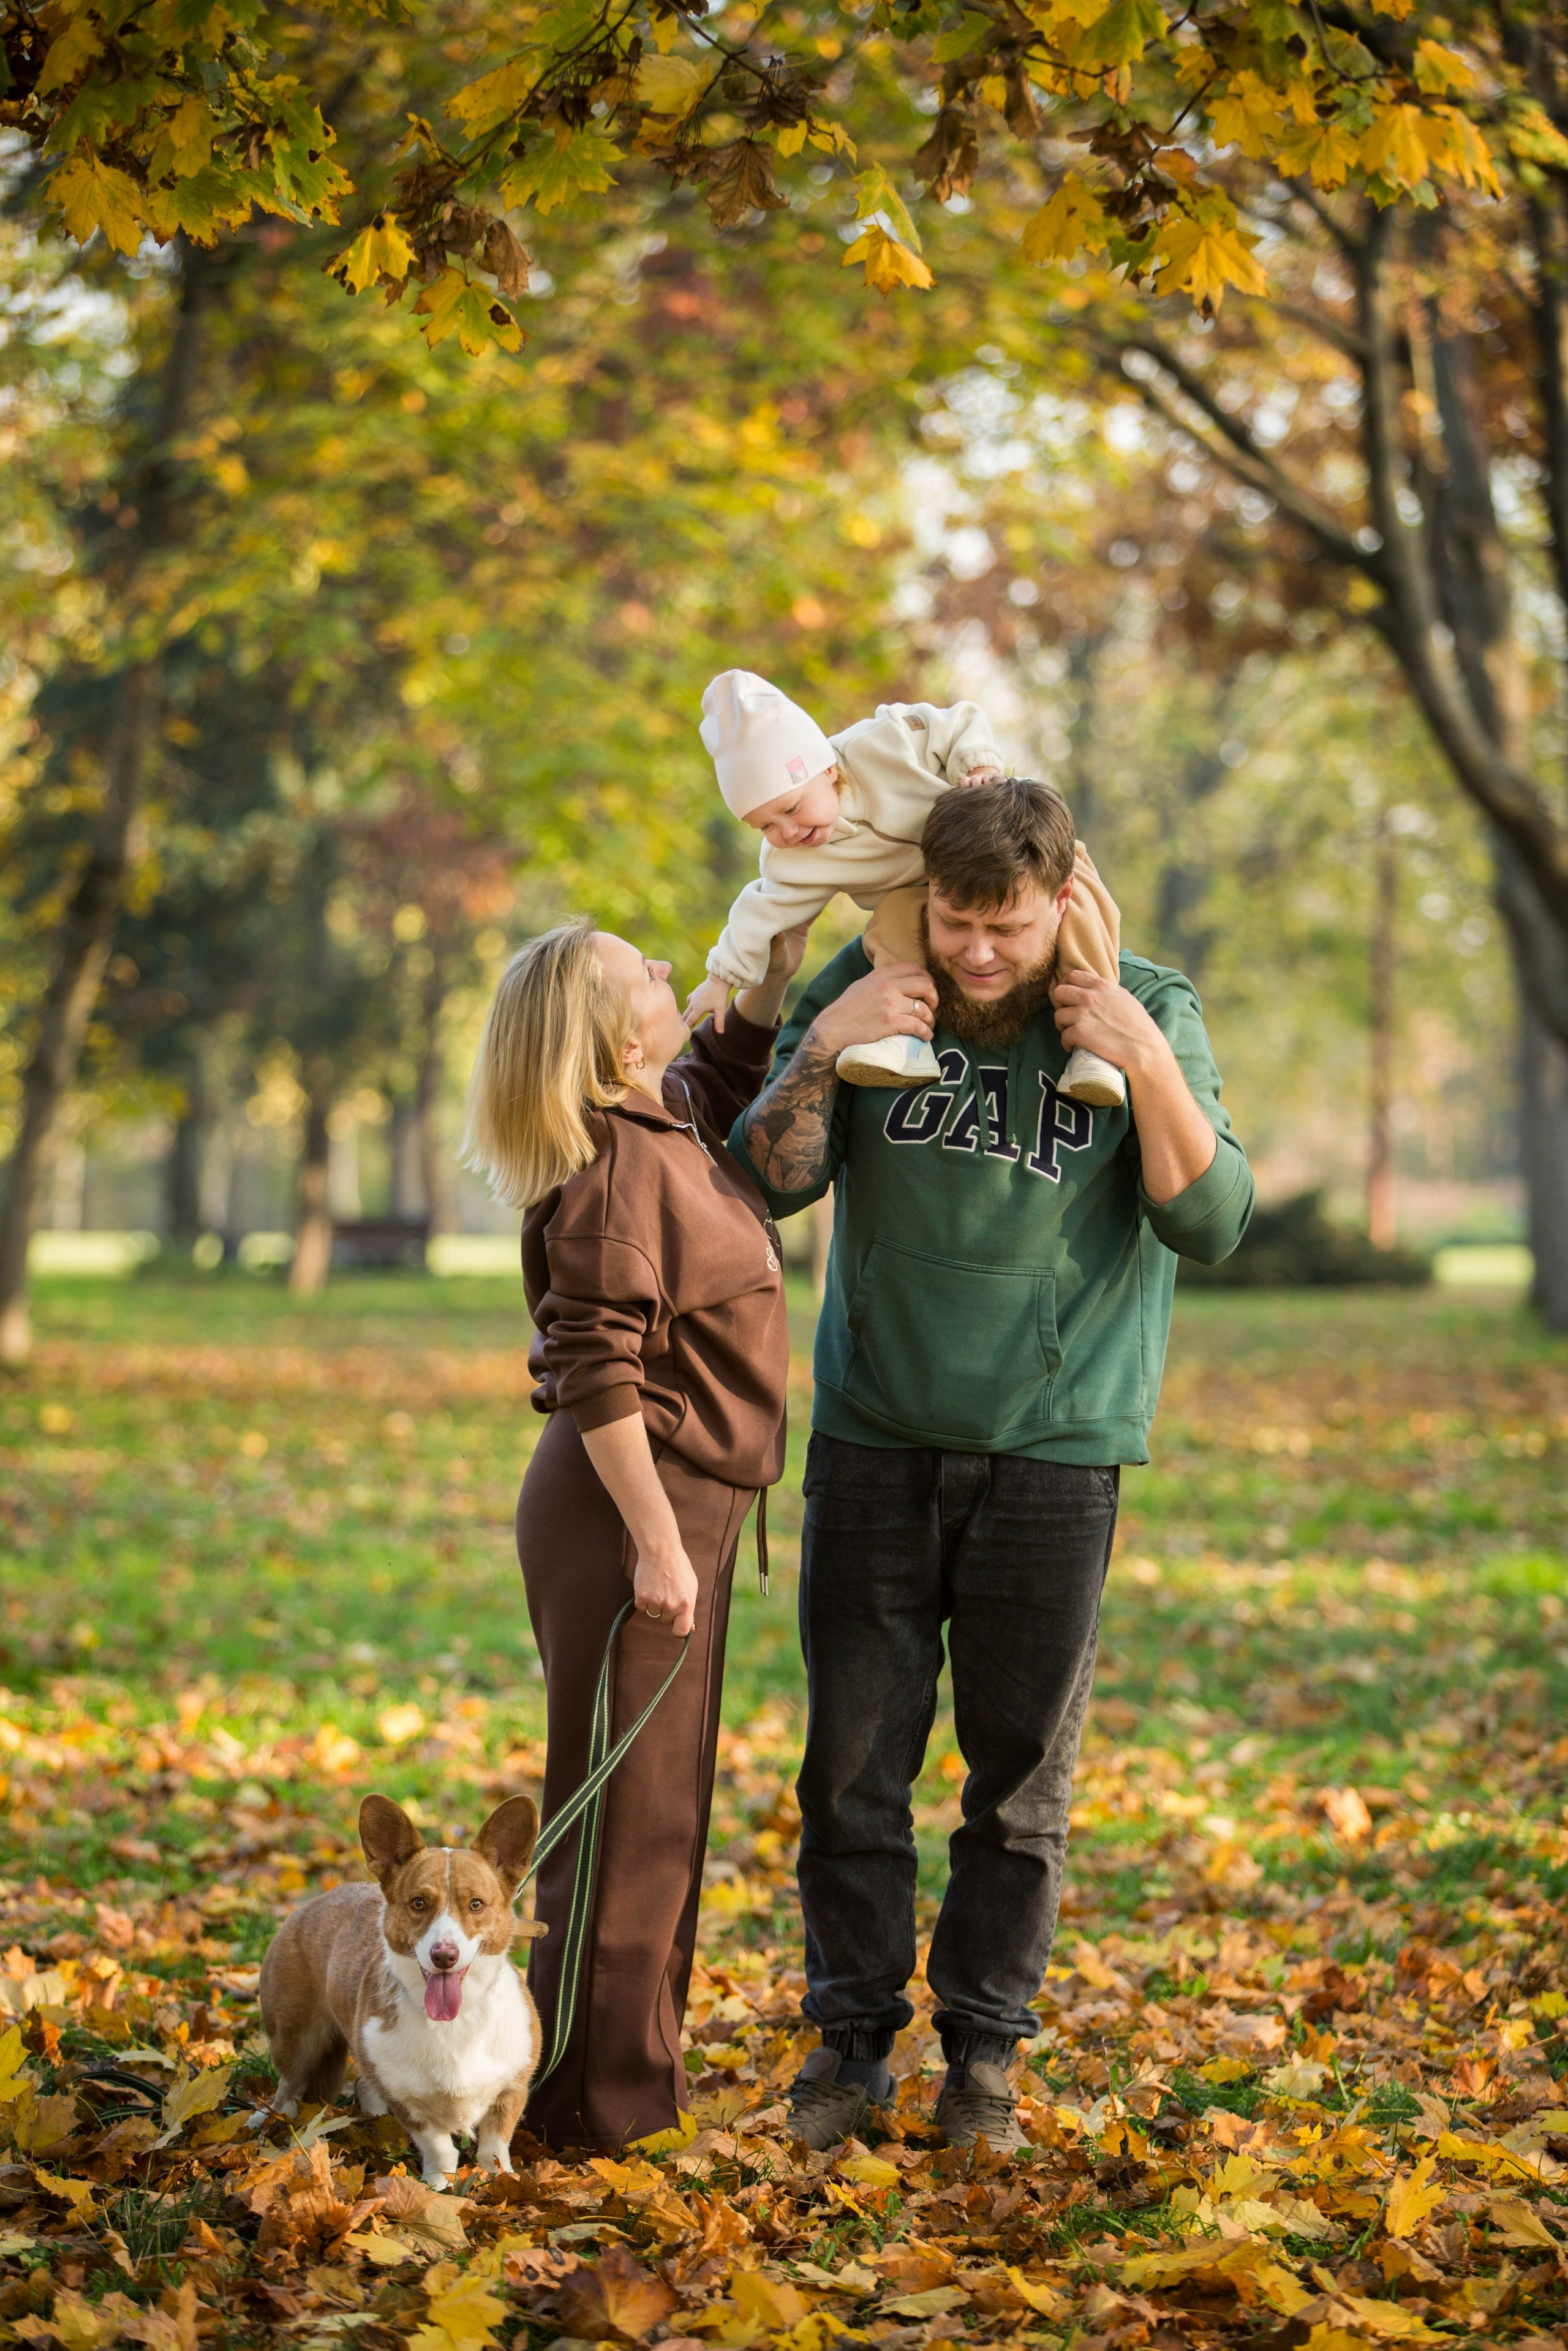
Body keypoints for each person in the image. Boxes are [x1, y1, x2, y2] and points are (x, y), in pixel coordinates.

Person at [728, 777, 1253, 2153]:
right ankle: (849, 2046)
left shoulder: (1149, 1001)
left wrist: (1140, 1057)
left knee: (1019, 1788)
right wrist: (824, 1044)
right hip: (875, 1438)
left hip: (1056, 1451)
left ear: (1062, 901)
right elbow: (769, 1178)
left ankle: (981, 2062)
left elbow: (1210, 1220)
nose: (973, 951)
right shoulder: (876, 978)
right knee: (849, 1773)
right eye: (954, 919)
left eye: (1005, 927)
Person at [462, 916, 803, 2149]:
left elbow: (726, 1060)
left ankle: (624, 2095)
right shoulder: (612, 1171)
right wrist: (657, 1544)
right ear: (616, 1044)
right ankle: (584, 2114)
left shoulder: (665, 1117)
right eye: (643, 973)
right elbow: (596, 1369)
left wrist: (778, 947)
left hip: (671, 1500)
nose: (667, 970)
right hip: (627, 1508)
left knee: (657, 1815)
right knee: (621, 1826)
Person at [684, 669, 1127, 1106]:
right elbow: (758, 912)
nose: (787, 832)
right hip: (925, 892)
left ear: (827, 769)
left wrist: (978, 765)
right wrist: (720, 979)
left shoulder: (882, 744)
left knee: (1083, 897)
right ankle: (902, 1037)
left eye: (791, 809)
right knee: (893, 922)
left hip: (1003, 854)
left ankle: (1096, 1041)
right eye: (764, 826)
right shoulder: (793, 861)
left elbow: (954, 721)